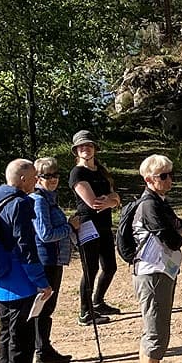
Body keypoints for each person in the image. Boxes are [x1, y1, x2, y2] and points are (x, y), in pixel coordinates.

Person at [0, 159, 54, 363]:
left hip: (1, 277)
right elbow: (26, 247)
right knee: (22, 337)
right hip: (20, 280)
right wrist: (41, 281)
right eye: (34, 176)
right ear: (23, 179)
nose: (37, 180)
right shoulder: (21, 204)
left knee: (6, 335)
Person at [132, 154, 182, 363]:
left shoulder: (159, 202)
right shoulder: (150, 205)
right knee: (156, 333)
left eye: (170, 174)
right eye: (163, 176)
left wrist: (181, 230)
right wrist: (181, 232)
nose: (169, 180)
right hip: (152, 273)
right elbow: (173, 239)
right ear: (149, 180)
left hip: (161, 271)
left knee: (154, 330)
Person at [67, 130, 124, 324]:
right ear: (76, 150)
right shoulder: (77, 173)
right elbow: (94, 203)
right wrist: (111, 201)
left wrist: (111, 200)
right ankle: (85, 311)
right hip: (87, 226)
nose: (86, 148)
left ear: (95, 149)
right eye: (82, 146)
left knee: (110, 267)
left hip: (104, 224)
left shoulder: (101, 171)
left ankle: (98, 302)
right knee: (90, 269)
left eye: (89, 145)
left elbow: (116, 197)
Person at [30, 156, 74, 363]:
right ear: (38, 178)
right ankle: (42, 351)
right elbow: (45, 234)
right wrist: (70, 227)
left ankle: (44, 349)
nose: (53, 179)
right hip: (46, 259)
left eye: (56, 174)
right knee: (44, 307)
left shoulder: (49, 198)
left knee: (47, 306)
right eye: (48, 176)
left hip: (53, 258)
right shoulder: (39, 200)